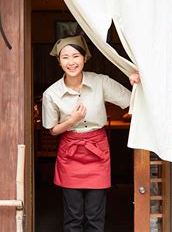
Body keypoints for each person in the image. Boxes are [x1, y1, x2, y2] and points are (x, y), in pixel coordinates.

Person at [42, 35, 140, 232]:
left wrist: (135, 81)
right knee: (73, 217)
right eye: (65, 57)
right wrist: (71, 121)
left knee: (95, 216)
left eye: (76, 56)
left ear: (85, 58)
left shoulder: (100, 82)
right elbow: (53, 130)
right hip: (70, 152)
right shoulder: (51, 93)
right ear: (59, 61)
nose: (71, 62)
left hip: (97, 150)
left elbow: (132, 100)